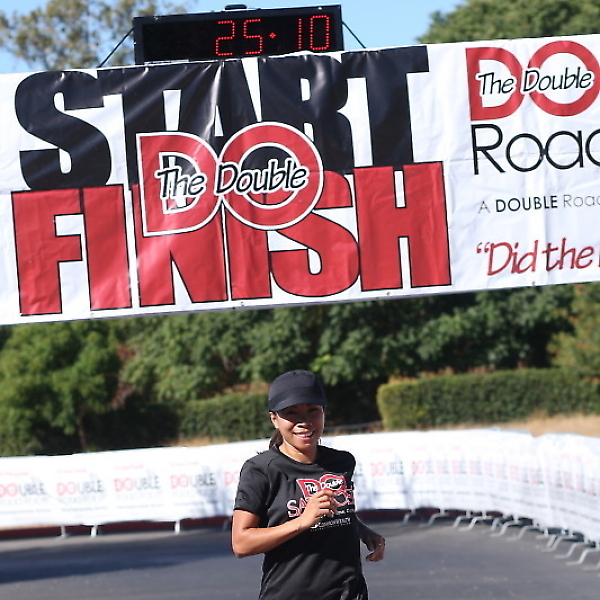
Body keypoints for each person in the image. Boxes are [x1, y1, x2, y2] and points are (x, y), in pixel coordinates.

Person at [232, 369, 385, 600]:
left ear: (324, 412)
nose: (304, 422)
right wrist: (302, 521)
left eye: (312, 410)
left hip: (350, 593)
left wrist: (363, 531)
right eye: (291, 413)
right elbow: (241, 544)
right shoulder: (261, 470)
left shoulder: (342, 462)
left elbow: (336, 512)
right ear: (274, 419)